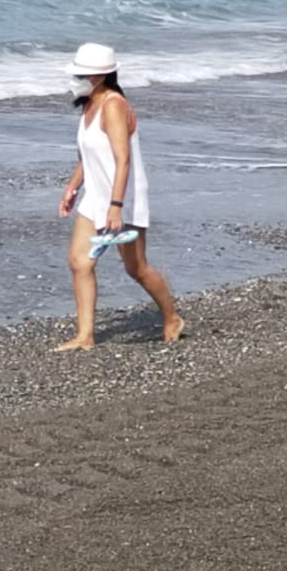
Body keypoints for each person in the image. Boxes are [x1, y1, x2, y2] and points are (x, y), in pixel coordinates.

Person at [55, 43, 184, 351]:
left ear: (100, 75)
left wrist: (116, 206)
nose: (76, 78)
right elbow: (87, 156)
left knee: (136, 268)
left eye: (81, 73)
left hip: (123, 198)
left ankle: (172, 316)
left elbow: (121, 159)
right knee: (79, 262)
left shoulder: (114, 105)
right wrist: (72, 188)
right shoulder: (89, 104)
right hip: (95, 196)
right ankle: (85, 336)